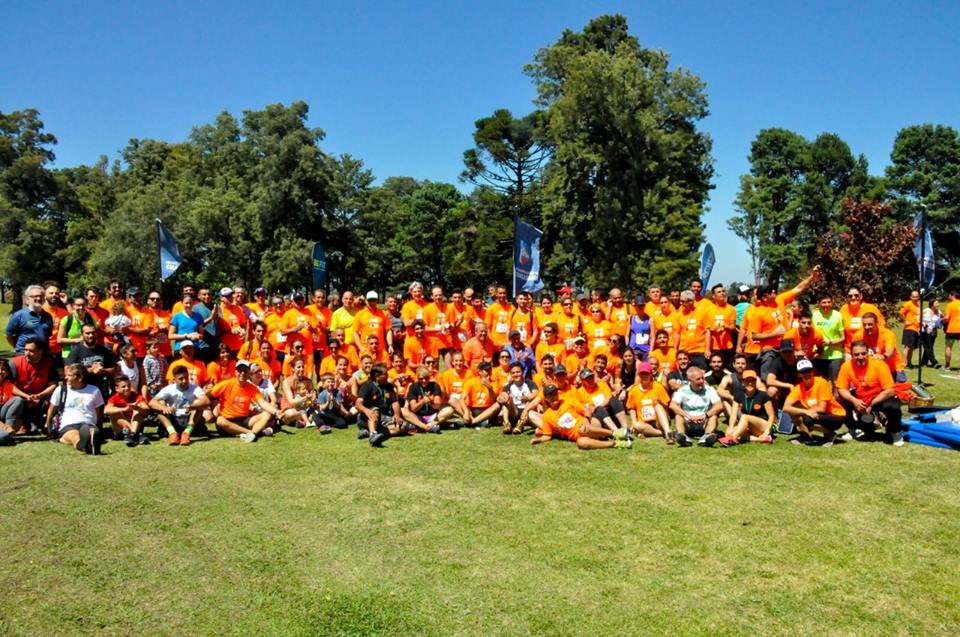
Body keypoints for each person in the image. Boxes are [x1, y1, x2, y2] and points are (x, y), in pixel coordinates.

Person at [835, 341, 904, 446]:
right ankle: (853, 429)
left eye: (863, 353)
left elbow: (890, 390)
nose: (860, 357)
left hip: (880, 396)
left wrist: (871, 405)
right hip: (861, 395)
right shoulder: (846, 366)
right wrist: (854, 401)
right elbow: (841, 388)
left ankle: (895, 432)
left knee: (893, 407)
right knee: (839, 398)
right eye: (856, 354)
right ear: (851, 355)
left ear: (868, 353)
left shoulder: (879, 364)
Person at [530, 384, 632, 450]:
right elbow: (547, 435)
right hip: (579, 435)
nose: (554, 397)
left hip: (590, 423)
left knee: (582, 429)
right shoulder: (547, 416)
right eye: (550, 395)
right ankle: (615, 444)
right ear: (546, 399)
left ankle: (616, 433)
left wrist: (586, 420)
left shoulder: (567, 401)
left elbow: (586, 410)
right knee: (581, 443)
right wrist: (537, 440)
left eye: (555, 394)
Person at [207, 360, 281, 442]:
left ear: (249, 373)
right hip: (227, 420)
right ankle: (251, 433)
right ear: (235, 372)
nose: (242, 373)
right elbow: (209, 394)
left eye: (245, 371)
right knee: (219, 421)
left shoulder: (252, 387)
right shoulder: (226, 384)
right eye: (240, 371)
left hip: (244, 420)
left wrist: (276, 412)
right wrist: (213, 405)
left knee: (267, 414)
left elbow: (262, 402)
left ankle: (250, 434)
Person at [782, 359, 846, 447]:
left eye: (809, 371)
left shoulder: (821, 382)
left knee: (807, 419)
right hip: (814, 413)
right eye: (803, 372)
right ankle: (805, 435)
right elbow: (785, 408)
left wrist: (807, 413)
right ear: (799, 374)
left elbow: (822, 408)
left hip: (835, 416)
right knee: (794, 410)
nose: (807, 374)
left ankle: (830, 434)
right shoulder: (798, 388)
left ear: (813, 371)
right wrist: (806, 412)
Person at [44, 363, 104, 454]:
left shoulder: (94, 390)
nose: (66, 378)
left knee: (91, 431)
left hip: (88, 423)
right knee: (73, 435)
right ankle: (84, 445)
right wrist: (48, 428)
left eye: (69, 375)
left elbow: (98, 413)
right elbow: (51, 410)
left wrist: (100, 429)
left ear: (80, 378)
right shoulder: (61, 390)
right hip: (68, 425)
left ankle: (91, 439)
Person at [5, 337, 57, 436]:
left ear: (41, 351)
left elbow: (53, 385)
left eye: (31, 351)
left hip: (41, 398)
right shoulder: (14, 363)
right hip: (20, 397)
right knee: (18, 401)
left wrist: (39, 396)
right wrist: (26, 396)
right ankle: (17, 424)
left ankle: (45, 423)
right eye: (26, 350)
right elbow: (9, 385)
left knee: (53, 400)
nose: (27, 353)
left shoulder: (49, 363)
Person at [148, 365, 211, 445]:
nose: (184, 381)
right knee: (160, 403)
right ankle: (172, 433)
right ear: (174, 380)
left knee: (199, 403)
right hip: (173, 419)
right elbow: (152, 402)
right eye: (181, 379)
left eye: (186, 378)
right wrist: (164, 408)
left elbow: (207, 401)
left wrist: (192, 406)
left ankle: (187, 433)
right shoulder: (169, 388)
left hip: (190, 419)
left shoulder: (195, 388)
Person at [355, 362, 407, 447]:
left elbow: (395, 402)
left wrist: (397, 415)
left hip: (384, 417)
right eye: (385, 374)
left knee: (403, 426)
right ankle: (373, 435)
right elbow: (358, 404)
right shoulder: (367, 386)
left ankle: (371, 432)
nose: (387, 376)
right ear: (377, 376)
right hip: (366, 417)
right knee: (375, 410)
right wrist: (366, 411)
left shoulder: (389, 386)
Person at [669, 366, 723, 447]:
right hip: (688, 422)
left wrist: (705, 415)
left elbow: (719, 405)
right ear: (690, 380)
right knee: (678, 416)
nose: (702, 381)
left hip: (704, 422)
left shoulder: (710, 390)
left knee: (713, 417)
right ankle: (683, 437)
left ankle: (706, 437)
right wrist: (688, 416)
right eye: (698, 379)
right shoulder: (683, 390)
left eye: (702, 378)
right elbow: (672, 405)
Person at [717, 370, 775, 446]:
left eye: (752, 381)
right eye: (747, 381)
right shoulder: (738, 395)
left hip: (764, 425)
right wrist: (731, 427)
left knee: (745, 417)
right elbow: (734, 414)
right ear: (743, 382)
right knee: (728, 432)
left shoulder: (763, 395)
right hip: (748, 425)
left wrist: (767, 431)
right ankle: (761, 439)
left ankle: (732, 438)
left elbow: (771, 416)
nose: (750, 383)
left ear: (756, 382)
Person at [65, 324, 117, 399]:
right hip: (81, 392)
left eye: (93, 333)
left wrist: (102, 371)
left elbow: (113, 370)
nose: (91, 335)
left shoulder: (103, 350)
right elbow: (67, 371)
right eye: (87, 333)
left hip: (100, 392)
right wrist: (91, 370)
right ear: (82, 334)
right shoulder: (76, 351)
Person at [625, 362, 672, 443]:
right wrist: (634, 422)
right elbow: (632, 408)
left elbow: (667, 406)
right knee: (637, 425)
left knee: (658, 406)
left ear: (651, 374)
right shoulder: (634, 390)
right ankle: (663, 433)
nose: (644, 376)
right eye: (642, 374)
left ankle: (667, 432)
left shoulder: (658, 387)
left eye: (646, 373)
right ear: (639, 375)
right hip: (645, 423)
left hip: (660, 421)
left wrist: (660, 402)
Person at [402, 366, 457, 433]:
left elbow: (438, 406)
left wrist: (430, 401)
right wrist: (423, 401)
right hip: (417, 417)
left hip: (433, 416)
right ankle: (427, 427)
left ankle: (424, 426)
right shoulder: (413, 387)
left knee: (449, 410)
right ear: (417, 378)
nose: (424, 381)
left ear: (429, 377)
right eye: (421, 379)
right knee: (403, 411)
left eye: (426, 378)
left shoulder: (434, 385)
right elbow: (414, 408)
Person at [105, 374, 151, 446]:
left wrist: (137, 408)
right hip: (121, 429)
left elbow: (147, 410)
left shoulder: (136, 396)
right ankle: (135, 434)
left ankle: (132, 434)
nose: (127, 388)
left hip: (135, 424)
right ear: (117, 388)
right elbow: (106, 410)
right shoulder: (114, 398)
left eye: (128, 386)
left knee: (138, 411)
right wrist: (125, 409)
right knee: (114, 412)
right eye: (123, 386)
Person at [5, 285, 53, 354]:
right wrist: (17, 347)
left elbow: (48, 335)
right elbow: (8, 334)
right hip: (24, 354)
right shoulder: (19, 315)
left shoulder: (48, 316)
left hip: (43, 354)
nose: (39, 298)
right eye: (35, 296)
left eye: (41, 296)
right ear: (28, 299)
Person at [168, 293, 214, 361]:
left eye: (190, 303)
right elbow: (170, 336)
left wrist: (197, 336)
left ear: (193, 303)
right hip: (180, 349)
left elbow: (201, 335)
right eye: (186, 303)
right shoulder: (177, 317)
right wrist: (186, 336)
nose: (188, 305)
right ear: (182, 303)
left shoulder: (198, 316)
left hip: (194, 349)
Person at [461, 361, 502, 429]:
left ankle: (472, 422)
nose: (489, 372)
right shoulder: (471, 382)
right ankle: (473, 420)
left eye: (490, 370)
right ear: (479, 371)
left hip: (488, 410)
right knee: (453, 401)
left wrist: (489, 388)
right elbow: (462, 398)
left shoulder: (495, 383)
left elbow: (493, 400)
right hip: (473, 409)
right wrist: (466, 412)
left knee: (498, 405)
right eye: (486, 370)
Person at [57, 294, 100, 359]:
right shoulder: (67, 320)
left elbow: (95, 336)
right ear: (73, 306)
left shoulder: (92, 320)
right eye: (78, 305)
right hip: (69, 354)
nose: (81, 307)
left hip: (87, 353)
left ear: (86, 305)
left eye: (83, 305)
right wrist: (78, 340)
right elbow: (59, 340)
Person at [280, 357, 318, 430]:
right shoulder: (286, 382)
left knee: (319, 408)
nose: (302, 369)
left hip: (305, 407)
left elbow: (313, 396)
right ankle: (308, 419)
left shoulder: (308, 381)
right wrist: (305, 398)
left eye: (303, 367)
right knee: (289, 414)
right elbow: (292, 402)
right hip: (291, 409)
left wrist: (313, 398)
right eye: (298, 367)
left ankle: (302, 421)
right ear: (293, 369)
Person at [899, 290, 921, 368]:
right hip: (909, 328)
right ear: (910, 297)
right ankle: (904, 363)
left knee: (912, 347)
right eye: (913, 296)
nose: (915, 298)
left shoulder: (918, 305)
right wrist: (905, 321)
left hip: (916, 329)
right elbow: (900, 313)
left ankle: (909, 363)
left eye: (917, 296)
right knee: (907, 347)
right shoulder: (908, 304)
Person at [919, 299, 942, 369]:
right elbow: (918, 317)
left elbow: (943, 318)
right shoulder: (926, 310)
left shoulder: (939, 312)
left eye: (938, 303)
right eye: (936, 303)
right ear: (932, 304)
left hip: (933, 332)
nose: (938, 304)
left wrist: (940, 323)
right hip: (925, 331)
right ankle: (934, 362)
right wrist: (923, 323)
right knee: (929, 347)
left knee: (928, 347)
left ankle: (923, 362)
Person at [943, 290, 960, 371]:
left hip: (952, 329)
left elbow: (946, 318)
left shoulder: (950, 305)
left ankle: (947, 365)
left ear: (952, 295)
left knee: (948, 347)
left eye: (949, 295)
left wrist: (942, 320)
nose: (948, 296)